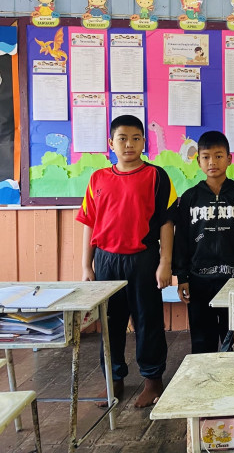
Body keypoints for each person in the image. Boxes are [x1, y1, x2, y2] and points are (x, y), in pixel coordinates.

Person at [76, 114, 177, 408]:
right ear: (111, 143)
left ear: (144, 142)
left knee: (148, 320)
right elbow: (89, 223)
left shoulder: (157, 176)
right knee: (110, 323)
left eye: (135, 138)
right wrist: (86, 266)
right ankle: (114, 380)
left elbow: (166, 222)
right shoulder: (98, 179)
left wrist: (165, 263)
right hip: (107, 261)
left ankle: (153, 380)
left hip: (143, 259)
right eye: (122, 139)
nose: (129, 144)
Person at [173, 131, 234, 354]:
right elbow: (181, 240)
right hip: (199, 281)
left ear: (229, 159)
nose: (212, 162)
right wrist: (182, 277)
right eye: (206, 157)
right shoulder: (189, 198)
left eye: (218, 156)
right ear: (198, 161)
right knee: (202, 340)